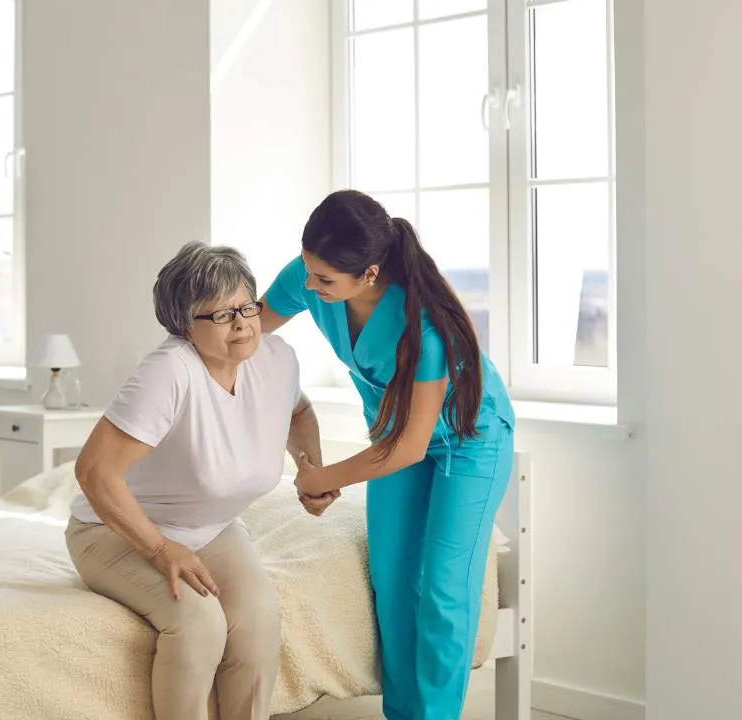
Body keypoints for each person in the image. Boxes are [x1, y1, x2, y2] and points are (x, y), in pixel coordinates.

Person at [259, 190, 516, 720]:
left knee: (442, 586)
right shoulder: (312, 277)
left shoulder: (425, 327)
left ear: (370, 274)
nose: (309, 286)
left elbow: (410, 446)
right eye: (308, 270)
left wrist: (326, 476)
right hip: (398, 441)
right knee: (393, 583)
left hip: (469, 443)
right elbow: (245, 331)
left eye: (324, 279)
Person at [65, 241, 327, 720]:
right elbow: (94, 473)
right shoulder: (169, 372)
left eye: (247, 306)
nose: (244, 323)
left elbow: (299, 410)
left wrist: (310, 465)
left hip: (213, 527)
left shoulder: (275, 358)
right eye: (222, 315)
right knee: (199, 621)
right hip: (114, 529)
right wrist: (161, 550)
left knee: (258, 620)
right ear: (184, 325)